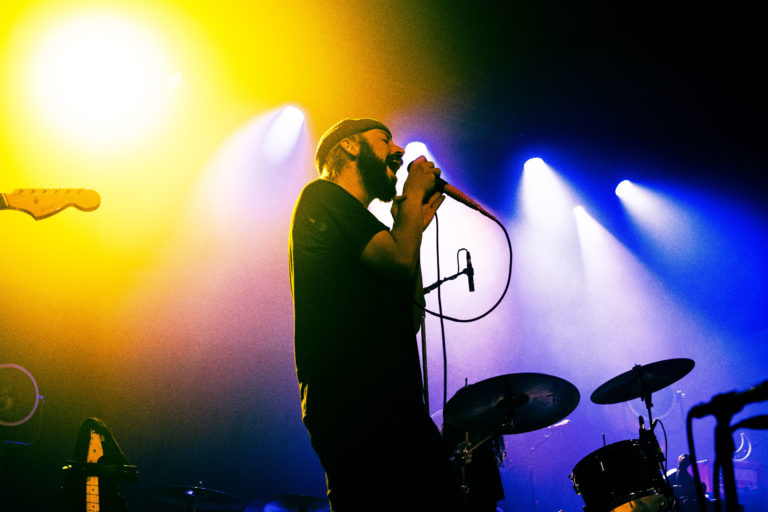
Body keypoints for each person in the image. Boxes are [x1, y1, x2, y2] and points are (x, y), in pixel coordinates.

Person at [289, 118, 459, 511]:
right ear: (350, 147)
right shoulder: (323, 197)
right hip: (354, 405)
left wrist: (412, 223)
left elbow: (409, 318)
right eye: (384, 139)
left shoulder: (369, 231)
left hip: (394, 405)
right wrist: (412, 205)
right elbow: (400, 261)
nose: (398, 151)